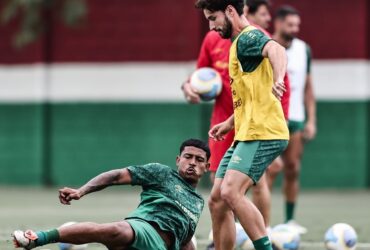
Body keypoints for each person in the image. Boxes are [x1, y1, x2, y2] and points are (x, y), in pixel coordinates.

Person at [195, 1, 289, 250]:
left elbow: (277, 49)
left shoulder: (249, 37)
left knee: (231, 192)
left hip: (264, 132)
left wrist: (279, 78)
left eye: (213, 18)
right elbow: (251, 98)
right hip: (246, 132)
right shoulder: (237, 44)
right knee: (216, 199)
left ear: (230, 11)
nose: (211, 25)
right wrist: (229, 122)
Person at [12, 138, 211, 250]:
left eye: (199, 159)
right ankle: (38, 238)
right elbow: (116, 176)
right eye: (188, 157)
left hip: (160, 248)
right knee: (117, 230)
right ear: (178, 160)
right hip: (142, 230)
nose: (192, 162)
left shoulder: (198, 202)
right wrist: (81, 191)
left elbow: (185, 240)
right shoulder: (161, 173)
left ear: (207, 166)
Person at [267, 5, 316, 234]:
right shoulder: (265, 45)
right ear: (277, 23)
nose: (295, 29)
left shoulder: (304, 49)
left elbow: (307, 87)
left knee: (292, 168)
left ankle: (288, 221)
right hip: (269, 118)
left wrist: (311, 120)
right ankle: (260, 221)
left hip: (295, 119)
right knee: (267, 170)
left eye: (297, 24)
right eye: (290, 24)